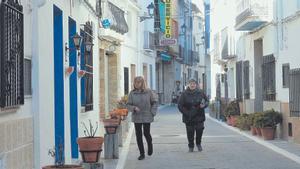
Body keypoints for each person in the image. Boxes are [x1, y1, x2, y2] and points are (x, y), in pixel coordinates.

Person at [126, 76, 158, 160]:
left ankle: (150, 145)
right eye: (135, 82)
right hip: (137, 116)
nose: (137, 84)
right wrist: (133, 108)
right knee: (138, 135)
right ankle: (142, 153)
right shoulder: (132, 93)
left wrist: (152, 112)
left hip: (147, 115)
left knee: (146, 133)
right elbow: (128, 105)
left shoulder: (149, 92)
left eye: (138, 82)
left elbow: (154, 102)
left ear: (142, 83)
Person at [177, 78, 209, 152]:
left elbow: (207, 101)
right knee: (190, 132)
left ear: (196, 85)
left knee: (199, 130)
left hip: (199, 115)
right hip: (189, 116)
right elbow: (180, 105)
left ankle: (198, 143)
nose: (192, 85)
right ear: (188, 84)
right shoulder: (184, 93)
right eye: (191, 83)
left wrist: (204, 105)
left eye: (194, 84)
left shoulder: (201, 92)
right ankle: (191, 146)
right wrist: (186, 113)